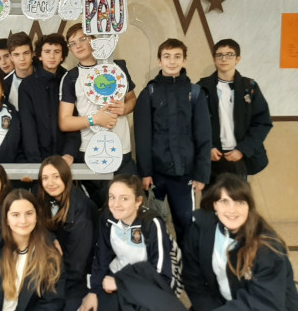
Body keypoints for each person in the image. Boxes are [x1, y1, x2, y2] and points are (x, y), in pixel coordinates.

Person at [134, 38, 211, 245]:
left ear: (184, 60)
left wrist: (201, 174)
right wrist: (145, 172)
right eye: (167, 57)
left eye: (177, 56)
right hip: (155, 175)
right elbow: (142, 137)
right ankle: (159, 263)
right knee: (152, 224)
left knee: (186, 224)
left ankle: (187, 265)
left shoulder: (195, 93)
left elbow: (204, 136)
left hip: (185, 175)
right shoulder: (149, 93)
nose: (172, 61)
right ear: (159, 61)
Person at [183, 174, 298, 310]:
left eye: (240, 202)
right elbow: (194, 282)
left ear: (249, 207)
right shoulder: (199, 230)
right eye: (224, 202)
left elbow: (264, 302)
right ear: (215, 205)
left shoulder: (268, 247)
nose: (232, 210)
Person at [79, 175, 185, 311]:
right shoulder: (107, 218)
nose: (116, 204)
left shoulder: (152, 224)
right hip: (117, 274)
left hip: (148, 283)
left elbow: (161, 275)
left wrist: (121, 284)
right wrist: (93, 291)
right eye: (112, 197)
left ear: (138, 201)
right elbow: (102, 257)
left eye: (124, 198)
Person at [59, 23, 137, 208]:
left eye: (82, 39)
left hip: (122, 150)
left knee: (129, 205)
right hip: (90, 152)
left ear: (94, 40)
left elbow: (132, 98)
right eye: (72, 43)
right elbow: (64, 122)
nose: (78, 45)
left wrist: (124, 108)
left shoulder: (117, 67)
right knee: (103, 208)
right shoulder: (71, 77)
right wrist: (94, 120)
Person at [0, 189, 65, 311]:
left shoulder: (50, 255)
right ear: (6, 220)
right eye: (15, 215)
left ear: (37, 216)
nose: (23, 221)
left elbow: (53, 301)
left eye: (29, 213)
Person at [197, 39, 272, 185]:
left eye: (229, 54)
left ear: (238, 59)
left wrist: (243, 149)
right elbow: (195, 124)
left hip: (239, 156)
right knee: (212, 197)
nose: (224, 59)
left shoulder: (249, 87)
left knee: (237, 197)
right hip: (213, 157)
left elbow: (262, 122)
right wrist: (208, 147)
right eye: (219, 55)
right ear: (214, 59)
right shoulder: (201, 88)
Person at [37, 156, 95, 311]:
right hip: (53, 272)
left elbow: (77, 263)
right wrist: (50, 237)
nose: (50, 183)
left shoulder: (80, 207)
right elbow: (37, 227)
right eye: (45, 178)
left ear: (66, 176)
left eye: (56, 176)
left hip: (73, 280)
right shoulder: (44, 198)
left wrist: (53, 286)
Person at [19, 33, 80, 165]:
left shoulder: (69, 80)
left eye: (57, 52)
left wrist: (69, 153)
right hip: (38, 158)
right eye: (47, 52)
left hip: (65, 157)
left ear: (62, 56)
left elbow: (74, 119)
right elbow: (28, 126)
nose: (52, 56)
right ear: (39, 56)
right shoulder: (27, 85)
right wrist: (35, 162)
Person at [3, 32, 35, 111]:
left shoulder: (44, 77)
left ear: (32, 54)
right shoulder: (5, 84)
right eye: (16, 54)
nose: (22, 58)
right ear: (11, 57)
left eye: (26, 53)